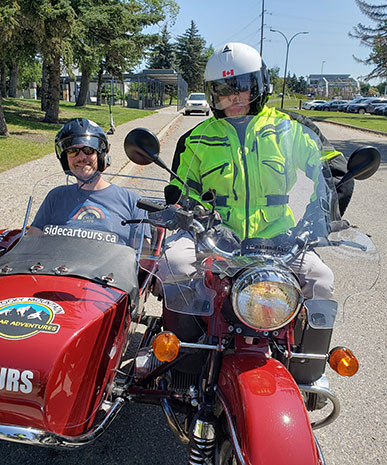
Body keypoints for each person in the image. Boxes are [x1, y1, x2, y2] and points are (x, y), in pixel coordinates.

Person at [162, 42, 337, 301]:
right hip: (213, 237)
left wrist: (315, 218)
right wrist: (206, 222)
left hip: (280, 238)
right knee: (172, 264)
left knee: (320, 278)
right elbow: (181, 191)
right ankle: (187, 335)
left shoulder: (290, 128)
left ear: (259, 86)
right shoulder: (195, 138)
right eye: (223, 90)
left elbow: (332, 170)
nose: (233, 97)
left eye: (242, 87)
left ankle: (299, 340)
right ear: (212, 94)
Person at [29, 118, 147, 247]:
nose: (81, 157)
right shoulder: (55, 196)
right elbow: (32, 242)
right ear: (65, 159)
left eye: (88, 150)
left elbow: (144, 255)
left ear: (101, 156)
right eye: (73, 151)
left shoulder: (132, 202)